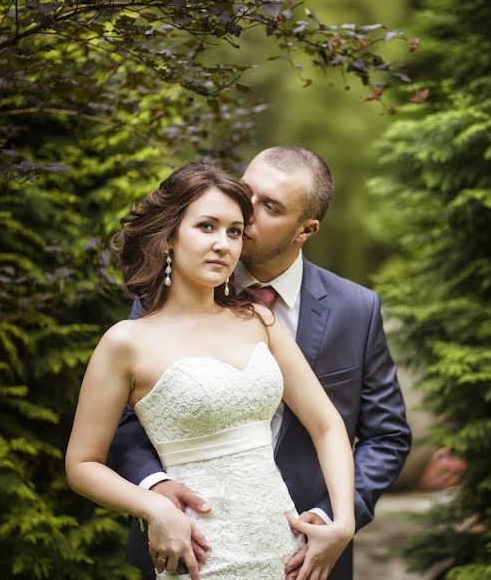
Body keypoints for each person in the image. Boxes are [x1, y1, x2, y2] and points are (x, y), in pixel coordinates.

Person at [110, 147, 412, 580]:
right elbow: (124, 416)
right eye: (246, 192)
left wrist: (333, 520)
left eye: (269, 207)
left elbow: (386, 436)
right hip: (189, 549)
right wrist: (153, 489)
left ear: (305, 229)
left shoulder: (356, 309)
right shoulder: (165, 300)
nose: (246, 213)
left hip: (309, 558)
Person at [66, 162, 356, 580]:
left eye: (234, 231)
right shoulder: (125, 342)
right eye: (206, 226)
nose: (223, 244)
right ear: (168, 236)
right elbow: (82, 464)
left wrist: (342, 522)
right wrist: (154, 507)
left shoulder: (260, 321)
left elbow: (327, 424)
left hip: (286, 554)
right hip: (198, 556)